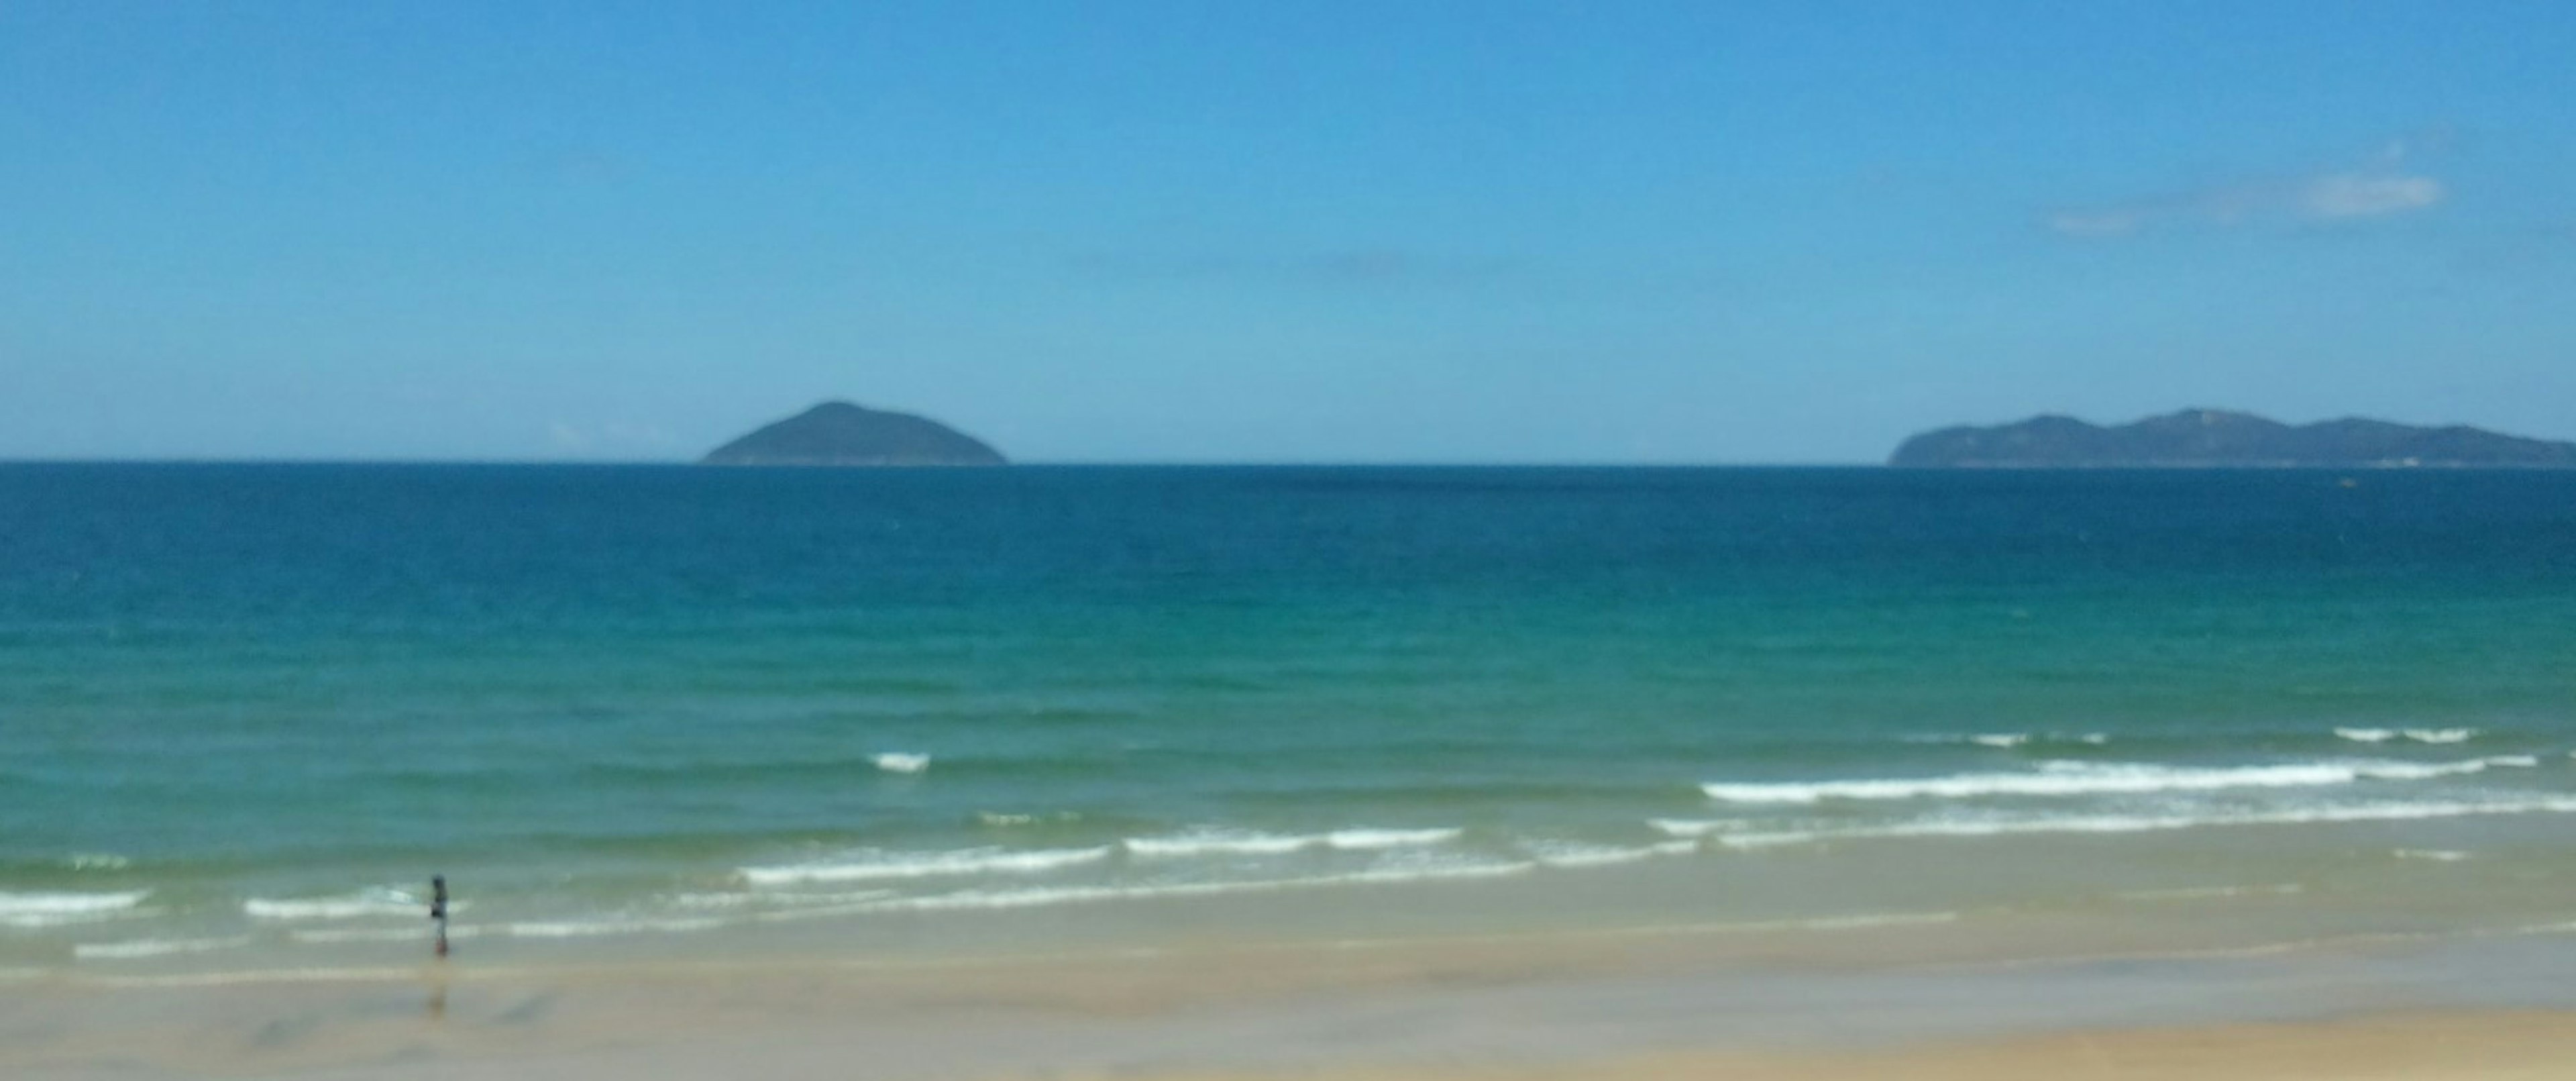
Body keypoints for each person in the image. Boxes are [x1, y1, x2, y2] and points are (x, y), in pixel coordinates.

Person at [429, 874, 449, 959]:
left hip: (440, 916)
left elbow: (438, 906)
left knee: (439, 933)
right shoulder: (443, 893)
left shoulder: (439, 894)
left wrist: (433, 907)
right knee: (441, 933)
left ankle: (441, 952)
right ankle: (443, 950)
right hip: (442, 915)